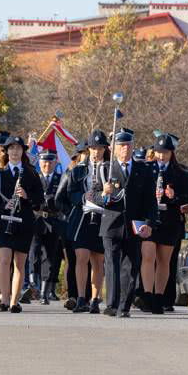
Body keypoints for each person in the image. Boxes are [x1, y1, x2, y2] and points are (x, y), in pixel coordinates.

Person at [99, 129, 156, 317]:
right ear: (114, 148)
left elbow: (150, 201)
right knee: (111, 264)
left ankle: (124, 306)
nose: (125, 149)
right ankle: (112, 304)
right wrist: (103, 193)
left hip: (134, 225)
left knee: (131, 266)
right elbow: (90, 196)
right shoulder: (105, 169)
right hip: (111, 224)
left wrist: (149, 223)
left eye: (128, 145)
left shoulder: (143, 170)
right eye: (121, 145)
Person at [139, 133, 188, 314]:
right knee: (148, 256)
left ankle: (159, 296)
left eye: (165, 152)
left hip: (169, 220)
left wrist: (175, 197)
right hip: (149, 219)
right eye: (158, 152)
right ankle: (147, 294)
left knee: (164, 260)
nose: (161, 156)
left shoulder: (183, 173)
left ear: (172, 153)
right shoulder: (146, 168)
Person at [0, 136, 43, 313]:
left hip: (24, 222)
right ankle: (3, 298)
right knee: (4, 260)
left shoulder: (31, 173)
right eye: (11, 148)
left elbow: (40, 199)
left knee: (19, 263)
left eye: (18, 148)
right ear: (6, 151)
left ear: (23, 151)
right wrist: (4, 205)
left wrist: (27, 196)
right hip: (3, 222)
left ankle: (14, 300)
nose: (15, 151)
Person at [57, 129, 109, 313]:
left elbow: (118, 191)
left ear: (104, 149)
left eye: (100, 148)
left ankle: (95, 298)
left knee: (98, 259)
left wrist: (108, 191)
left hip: (102, 216)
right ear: (88, 149)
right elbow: (70, 193)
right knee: (81, 256)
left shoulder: (110, 169)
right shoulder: (78, 170)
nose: (96, 151)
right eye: (93, 148)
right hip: (82, 217)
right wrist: (82, 197)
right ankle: (81, 297)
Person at [30, 151, 65, 305]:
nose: (47, 164)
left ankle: (44, 292)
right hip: (37, 219)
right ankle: (32, 283)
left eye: (50, 162)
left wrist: (55, 204)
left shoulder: (60, 179)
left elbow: (63, 200)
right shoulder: (34, 178)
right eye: (44, 161)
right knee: (34, 253)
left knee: (49, 257)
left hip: (52, 220)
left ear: (55, 163)